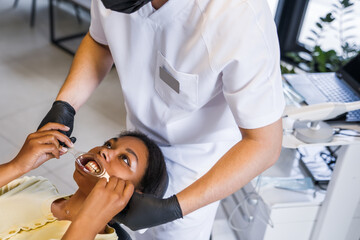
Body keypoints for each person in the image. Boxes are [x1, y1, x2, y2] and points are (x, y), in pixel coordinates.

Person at [38, 0, 286, 239]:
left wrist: (173, 208)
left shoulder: (237, 15)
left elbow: (264, 145)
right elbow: (101, 41)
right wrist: (65, 105)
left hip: (196, 168)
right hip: (139, 140)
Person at [0, 123, 168, 240]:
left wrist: (90, 220)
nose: (104, 151)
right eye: (109, 145)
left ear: (135, 197)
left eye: (125, 159)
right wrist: (16, 166)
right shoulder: (36, 186)